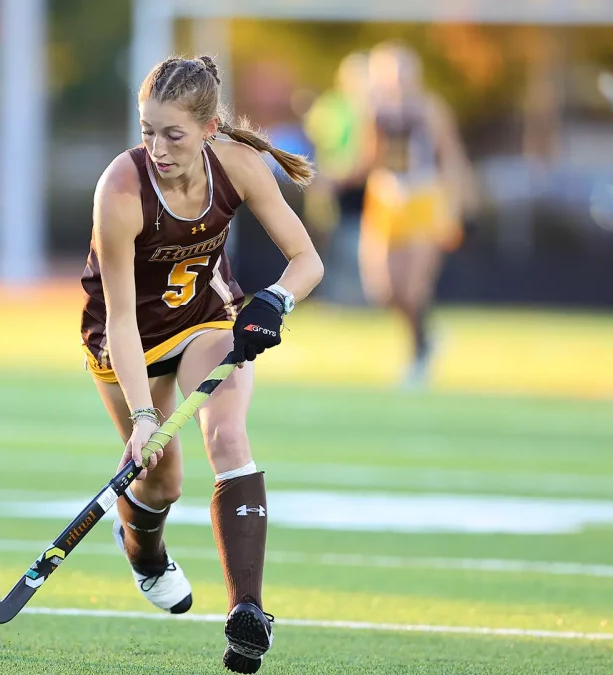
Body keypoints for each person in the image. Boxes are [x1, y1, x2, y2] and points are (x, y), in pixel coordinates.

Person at [79, 55, 323, 673]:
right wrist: (141, 416)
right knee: (161, 481)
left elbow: (306, 259)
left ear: (210, 128)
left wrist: (275, 299)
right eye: (147, 131)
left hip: (207, 322)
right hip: (127, 336)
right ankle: (145, 551)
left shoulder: (239, 166)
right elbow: (122, 320)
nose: (157, 148)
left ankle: (248, 612)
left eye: (173, 134)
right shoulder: (122, 189)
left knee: (227, 433)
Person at [358, 41, 477, 389]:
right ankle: (428, 335)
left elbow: (451, 155)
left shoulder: (429, 109)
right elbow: (369, 159)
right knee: (382, 289)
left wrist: (457, 204)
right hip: (385, 198)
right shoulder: (373, 110)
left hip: (424, 198)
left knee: (414, 286)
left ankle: (418, 354)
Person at [304, 51, 375, 305]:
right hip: (334, 184)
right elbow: (319, 145)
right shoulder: (330, 107)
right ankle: (330, 296)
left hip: (364, 185)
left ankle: (358, 298)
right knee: (329, 239)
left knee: (359, 243)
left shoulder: (375, 108)